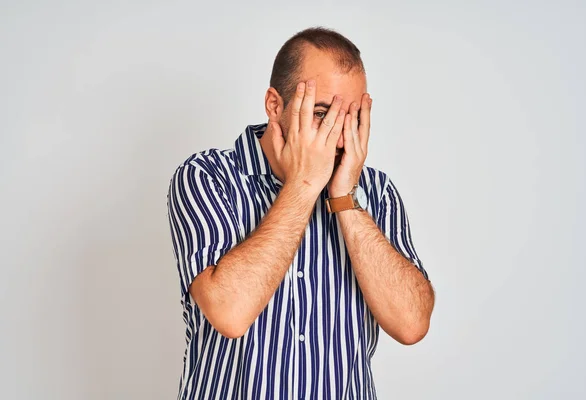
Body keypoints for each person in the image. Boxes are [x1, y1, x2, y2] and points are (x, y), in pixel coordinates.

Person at [167, 26, 435, 400]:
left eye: (352, 119)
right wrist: (303, 186)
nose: (339, 139)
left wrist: (345, 197)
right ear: (275, 105)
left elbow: (411, 324)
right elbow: (229, 313)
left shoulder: (376, 192)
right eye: (322, 113)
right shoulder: (206, 177)